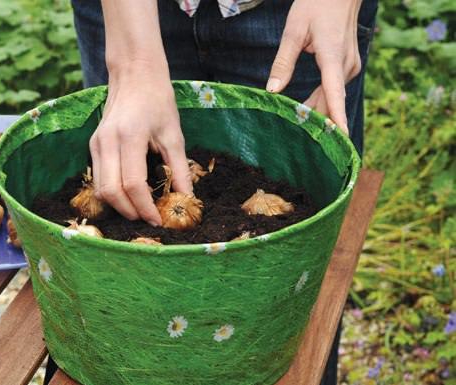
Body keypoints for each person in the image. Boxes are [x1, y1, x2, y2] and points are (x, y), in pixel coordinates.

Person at [44, 0, 378, 383]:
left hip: (295, 15)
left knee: (286, 322)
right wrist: (134, 62)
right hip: (131, 14)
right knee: (118, 312)